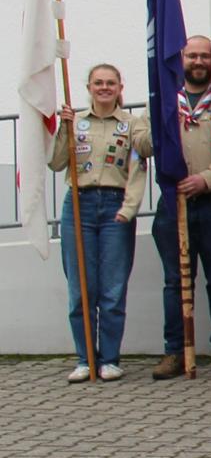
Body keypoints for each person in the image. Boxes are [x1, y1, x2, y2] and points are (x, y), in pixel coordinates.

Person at [50, 63, 151, 383]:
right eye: (98, 83)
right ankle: (85, 359)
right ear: (89, 87)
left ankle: (109, 359)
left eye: (110, 83)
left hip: (114, 207)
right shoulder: (75, 122)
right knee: (80, 289)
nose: (104, 88)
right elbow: (56, 163)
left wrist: (130, 207)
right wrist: (62, 129)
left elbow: (139, 163)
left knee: (112, 288)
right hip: (77, 206)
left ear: (121, 87)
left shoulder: (131, 125)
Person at [152, 36, 211, 380]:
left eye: (205, 56)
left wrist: (205, 179)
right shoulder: (163, 100)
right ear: (182, 59)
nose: (199, 61)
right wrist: (163, 126)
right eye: (193, 55)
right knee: (175, 281)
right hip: (172, 204)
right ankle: (175, 351)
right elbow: (142, 143)